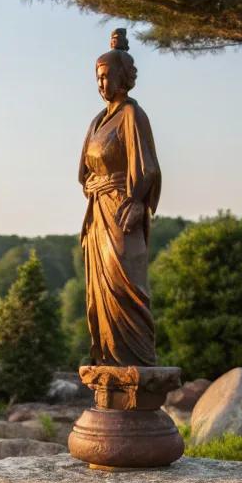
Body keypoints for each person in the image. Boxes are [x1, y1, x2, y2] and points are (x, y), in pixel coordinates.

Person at [79, 29, 162, 366]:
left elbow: (149, 167)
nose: (101, 84)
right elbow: (84, 174)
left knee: (125, 283)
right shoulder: (98, 121)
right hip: (98, 214)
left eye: (105, 76)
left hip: (122, 211)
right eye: (96, 78)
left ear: (122, 77)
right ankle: (110, 359)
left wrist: (137, 200)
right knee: (100, 290)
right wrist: (93, 186)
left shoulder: (131, 114)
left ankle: (137, 362)